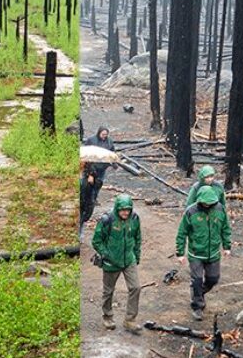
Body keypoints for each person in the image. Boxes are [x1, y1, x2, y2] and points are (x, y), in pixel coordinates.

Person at [175, 185, 231, 320]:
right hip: (196, 253)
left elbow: (225, 228)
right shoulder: (191, 211)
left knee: (213, 279)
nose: (208, 204)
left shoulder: (220, 209)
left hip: (213, 253)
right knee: (197, 280)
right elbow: (182, 233)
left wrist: (227, 246)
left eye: (211, 202)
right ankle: (197, 306)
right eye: (206, 202)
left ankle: (198, 292)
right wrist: (180, 253)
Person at [91, 194, 143, 334]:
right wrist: (105, 253)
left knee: (136, 287)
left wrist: (136, 256)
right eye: (122, 209)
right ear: (117, 208)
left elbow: (137, 238)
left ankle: (130, 320)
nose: (125, 212)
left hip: (129, 259)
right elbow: (96, 241)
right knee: (108, 291)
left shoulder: (135, 219)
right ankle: (107, 316)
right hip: (111, 262)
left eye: (128, 209)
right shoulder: (107, 220)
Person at [83, 126, 114, 209]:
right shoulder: (91, 140)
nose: (104, 136)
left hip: (102, 167)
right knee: (90, 184)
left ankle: (94, 198)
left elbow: (111, 152)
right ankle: (90, 199)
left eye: (106, 134)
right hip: (92, 166)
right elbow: (85, 151)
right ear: (99, 133)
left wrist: (113, 163)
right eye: (103, 134)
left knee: (99, 184)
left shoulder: (109, 141)